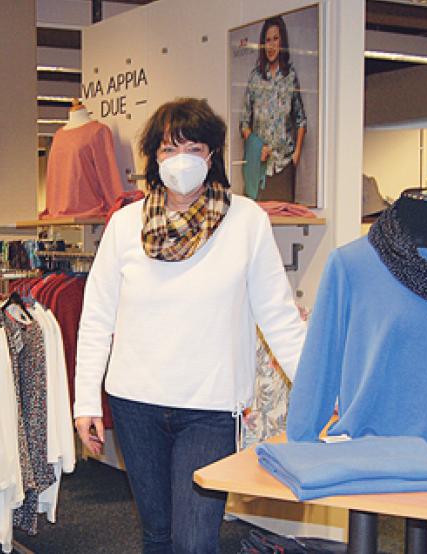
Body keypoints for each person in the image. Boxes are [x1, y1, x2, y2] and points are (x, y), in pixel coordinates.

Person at [73, 98, 306, 553]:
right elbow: (96, 317)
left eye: (194, 148)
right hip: (135, 402)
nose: (181, 161)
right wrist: (86, 401)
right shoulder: (124, 226)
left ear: (212, 156)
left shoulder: (246, 222)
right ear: (153, 160)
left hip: (211, 408)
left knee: (196, 541)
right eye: (168, 150)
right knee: (157, 534)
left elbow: (279, 319)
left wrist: (322, 397)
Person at [240, 16, 307, 203]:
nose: (271, 45)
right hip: (259, 166)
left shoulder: (290, 77)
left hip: (284, 165)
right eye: (267, 40)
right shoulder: (255, 78)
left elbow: (301, 119)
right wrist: (256, 148)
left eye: (275, 39)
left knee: (284, 219)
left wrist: (296, 155)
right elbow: (244, 122)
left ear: (282, 41)